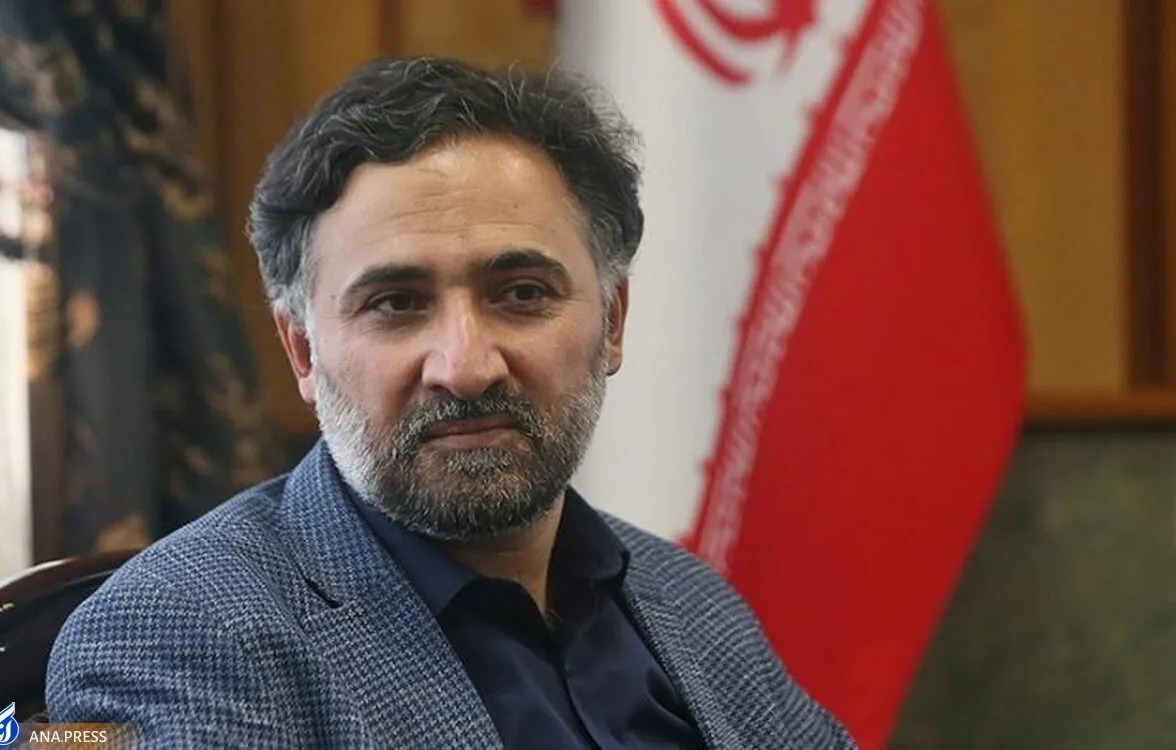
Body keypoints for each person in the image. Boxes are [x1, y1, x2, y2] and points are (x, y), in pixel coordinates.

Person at [45, 56, 855, 749]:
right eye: (396, 303)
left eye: (523, 293)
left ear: (612, 322)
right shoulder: (177, 636)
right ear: (303, 351)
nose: (465, 369)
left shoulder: (693, 603)